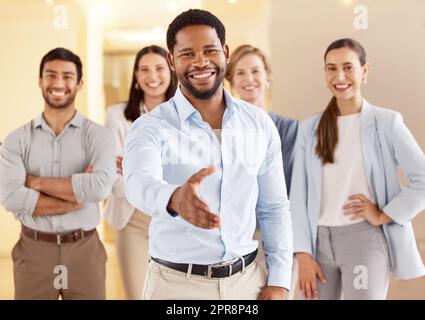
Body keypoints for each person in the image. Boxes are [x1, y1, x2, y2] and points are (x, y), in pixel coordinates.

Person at [123, 9, 293, 300]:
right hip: (176, 287)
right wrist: (174, 198)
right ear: (172, 60)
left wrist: (279, 280)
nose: (200, 62)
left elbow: (274, 207)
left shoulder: (258, 123)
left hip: (248, 283)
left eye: (210, 50)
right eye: (187, 53)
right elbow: (138, 182)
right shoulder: (150, 127)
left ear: (225, 53)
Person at [290, 38, 425, 300]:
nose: (339, 76)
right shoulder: (309, 128)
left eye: (348, 67)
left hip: (364, 242)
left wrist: (383, 214)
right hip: (317, 246)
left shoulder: (387, 123)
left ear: (365, 71)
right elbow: (298, 196)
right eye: (331, 68)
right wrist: (303, 254)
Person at [0, 48, 116, 300]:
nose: (58, 83)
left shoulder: (99, 137)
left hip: (84, 251)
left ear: (79, 83)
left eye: (67, 76)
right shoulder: (15, 140)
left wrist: (34, 183)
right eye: (50, 75)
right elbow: (11, 198)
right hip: (33, 251)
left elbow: (99, 189)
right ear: (40, 80)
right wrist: (77, 195)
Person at [104, 45, 177, 300]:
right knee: (137, 295)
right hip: (131, 218)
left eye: (159, 68)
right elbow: (114, 179)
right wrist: (159, 171)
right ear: (136, 76)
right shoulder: (117, 116)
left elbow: (186, 172)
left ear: (171, 71)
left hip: (174, 218)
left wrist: (135, 169)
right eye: (144, 69)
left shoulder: (187, 114)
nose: (152, 76)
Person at [225, 44, 298, 192]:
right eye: (240, 73)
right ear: (232, 82)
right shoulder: (224, 129)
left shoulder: (288, 128)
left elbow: (286, 180)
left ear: (268, 79)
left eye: (255, 71)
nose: (249, 79)